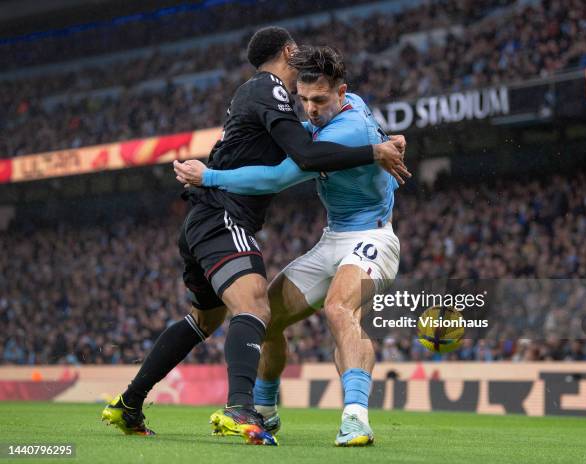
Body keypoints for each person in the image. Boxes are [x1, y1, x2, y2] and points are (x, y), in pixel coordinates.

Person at [101, 27, 407, 446]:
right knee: (258, 311)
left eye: (319, 100)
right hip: (240, 219)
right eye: (305, 101)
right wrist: (379, 147)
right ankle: (250, 408)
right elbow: (305, 153)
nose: (310, 109)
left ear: (342, 93)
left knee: (322, 309)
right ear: (287, 55)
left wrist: (378, 145)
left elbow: (294, 166)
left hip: (368, 236)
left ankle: (354, 418)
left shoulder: (342, 120)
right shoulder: (284, 95)